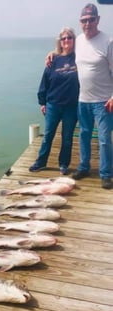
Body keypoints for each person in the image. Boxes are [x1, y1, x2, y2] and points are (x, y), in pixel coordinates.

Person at [71, 3, 113, 189]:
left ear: (98, 20)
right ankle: (84, 167)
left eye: (91, 20)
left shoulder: (108, 41)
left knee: (104, 139)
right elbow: (64, 51)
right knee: (84, 135)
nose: (87, 24)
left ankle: (106, 173)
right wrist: (51, 54)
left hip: (104, 101)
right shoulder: (79, 40)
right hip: (83, 100)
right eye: (83, 20)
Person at [29, 27, 79, 175]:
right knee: (48, 136)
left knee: (67, 138)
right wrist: (42, 102)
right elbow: (45, 82)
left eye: (69, 37)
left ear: (73, 39)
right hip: (53, 105)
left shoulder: (79, 57)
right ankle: (41, 162)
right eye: (63, 38)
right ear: (60, 42)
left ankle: (63, 164)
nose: (66, 40)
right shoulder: (53, 59)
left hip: (72, 106)